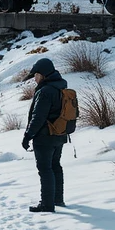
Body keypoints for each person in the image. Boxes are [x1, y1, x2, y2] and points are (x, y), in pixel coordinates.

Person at [21, 58, 67, 213]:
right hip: (59, 134)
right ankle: (57, 199)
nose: (34, 78)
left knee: (45, 169)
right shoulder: (61, 87)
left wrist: (28, 136)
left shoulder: (45, 91)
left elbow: (38, 117)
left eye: (36, 75)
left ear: (43, 74)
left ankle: (47, 205)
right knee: (55, 166)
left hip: (45, 137)